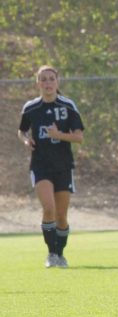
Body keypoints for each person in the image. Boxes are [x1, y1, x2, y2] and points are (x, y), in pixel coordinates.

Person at [18, 65, 85, 268]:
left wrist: (58, 135)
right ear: (38, 83)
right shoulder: (30, 108)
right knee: (49, 209)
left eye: (51, 79)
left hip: (63, 166)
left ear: (57, 82)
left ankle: (60, 253)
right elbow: (21, 131)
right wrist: (26, 141)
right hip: (40, 165)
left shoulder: (67, 105)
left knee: (61, 216)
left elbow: (79, 137)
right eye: (43, 79)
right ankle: (51, 255)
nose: (48, 83)